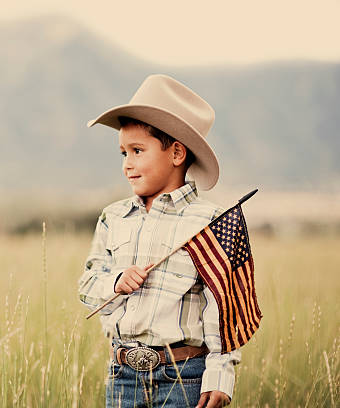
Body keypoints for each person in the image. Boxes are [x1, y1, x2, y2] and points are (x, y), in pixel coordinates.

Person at [77, 74, 240, 408]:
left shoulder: (209, 223)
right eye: (123, 153)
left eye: (138, 150)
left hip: (184, 377)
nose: (127, 164)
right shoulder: (114, 217)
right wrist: (117, 282)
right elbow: (88, 284)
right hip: (123, 376)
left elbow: (223, 307)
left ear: (177, 153)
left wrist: (220, 374)